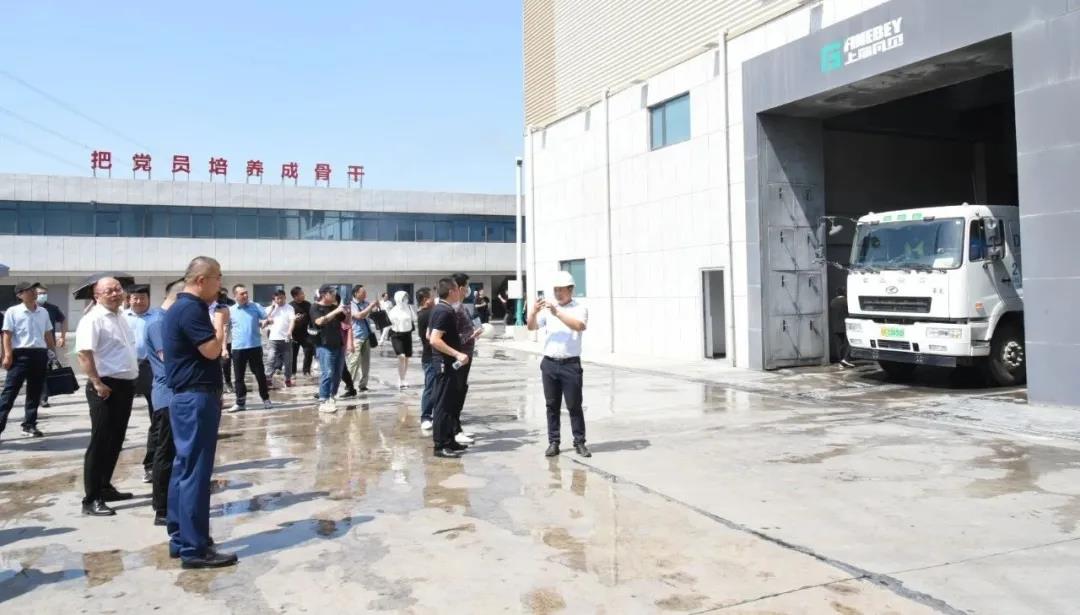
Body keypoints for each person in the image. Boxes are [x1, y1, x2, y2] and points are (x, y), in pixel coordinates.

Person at [163, 256, 236, 568]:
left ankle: (181, 538)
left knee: (184, 468)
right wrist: (220, 324)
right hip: (196, 398)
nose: (221, 285)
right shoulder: (191, 309)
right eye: (218, 278)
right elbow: (211, 350)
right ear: (201, 280)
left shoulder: (179, 308)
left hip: (188, 398)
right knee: (195, 472)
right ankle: (195, 548)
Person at [76, 276, 140, 516]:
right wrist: (96, 382)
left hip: (125, 385)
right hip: (104, 386)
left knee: (116, 440)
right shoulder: (92, 319)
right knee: (100, 442)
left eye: (117, 289)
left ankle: (104, 486)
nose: (115, 294)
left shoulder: (121, 316)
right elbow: (84, 353)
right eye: (108, 291)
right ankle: (91, 499)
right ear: (97, 296)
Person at [527, 270, 590, 458]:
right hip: (549, 363)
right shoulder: (549, 309)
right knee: (551, 405)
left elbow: (579, 326)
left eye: (561, 290)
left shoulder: (579, 308)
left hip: (570, 364)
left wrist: (558, 313)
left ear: (570, 289)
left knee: (574, 405)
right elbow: (531, 326)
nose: (557, 293)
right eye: (555, 290)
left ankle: (579, 442)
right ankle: (553, 442)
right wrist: (533, 312)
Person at [145, 279, 182, 526]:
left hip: (176, 395)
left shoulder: (167, 319)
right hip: (167, 396)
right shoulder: (159, 322)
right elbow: (169, 358)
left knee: (174, 451)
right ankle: (162, 508)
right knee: (165, 452)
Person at [0, 282, 55, 441]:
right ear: (20, 295)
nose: (34, 292)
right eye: (29, 290)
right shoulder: (13, 311)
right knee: (9, 393)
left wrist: (52, 352)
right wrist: (7, 355)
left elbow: (48, 333)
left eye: (34, 290)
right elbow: (7, 335)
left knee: (35, 392)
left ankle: (29, 424)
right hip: (20, 355)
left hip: (40, 354)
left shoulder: (43, 312)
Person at [428, 278, 471, 458]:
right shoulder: (443, 311)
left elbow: (430, 334)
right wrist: (457, 354)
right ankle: (440, 445)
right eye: (458, 289)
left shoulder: (442, 309)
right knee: (443, 405)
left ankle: (449, 440)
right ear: (452, 291)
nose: (461, 292)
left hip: (449, 364)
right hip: (445, 364)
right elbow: (434, 339)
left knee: (450, 402)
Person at [123, 284, 158, 484]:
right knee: (119, 416)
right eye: (135, 298)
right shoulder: (121, 318)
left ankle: (151, 465)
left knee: (157, 416)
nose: (139, 301)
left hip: (151, 367)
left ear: (148, 299)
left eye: (142, 297)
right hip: (125, 368)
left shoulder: (158, 317)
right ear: (129, 300)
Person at [227, 284, 273, 413]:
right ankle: (240, 403)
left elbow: (267, 317)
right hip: (238, 348)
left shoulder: (255, 306)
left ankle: (266, 399)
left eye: (246, 293)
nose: (245, 295)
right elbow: (226, 329)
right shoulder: (230, 310)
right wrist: (224, 347)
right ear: (235, 296)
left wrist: (267, 321)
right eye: (242, 293)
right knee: (238, 377)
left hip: (255, 347)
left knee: (260, 375)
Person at [450, 273, 482, 446]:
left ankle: (458, 427)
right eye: (468, 286)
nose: (469, 289)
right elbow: (452, 338)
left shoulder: (462, 306)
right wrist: (471, 335)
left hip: (466, 356)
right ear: (461, 288)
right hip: (459, 357)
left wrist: (473, 334)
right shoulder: (454, 309)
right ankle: (454, 430)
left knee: (461, 391)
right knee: (455, 393)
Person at [311, 285, 348, 413]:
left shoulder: (333, 307)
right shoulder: (315, 307)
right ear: (324, 294)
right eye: (332, 293)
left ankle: (332, 396)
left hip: (338, 344)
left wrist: (346, 312)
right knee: (328, 372)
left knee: (337, 373)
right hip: (324, 345)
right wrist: (336, 311)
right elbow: (319, 321)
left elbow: (345, 321)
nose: (334, 296)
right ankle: (323, 400)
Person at [34, 285, 66, 409]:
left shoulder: (52, 308)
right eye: (40, 293)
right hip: (31, 346)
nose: (43, 295)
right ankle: (34, 396)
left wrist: (62, 337)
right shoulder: (30, 308)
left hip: (48, 345)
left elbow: (63, 320)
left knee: (45, 372)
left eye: (44, 293)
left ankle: (43, 398)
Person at [346, 285, 378, 393]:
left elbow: (371, 313)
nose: (365, 294)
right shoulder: (351, 305)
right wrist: (370, 306)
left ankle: (363, 385)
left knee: (366, 363)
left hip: (366, 336)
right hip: (356, 337)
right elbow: (359, 316)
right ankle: (349, 386)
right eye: (363, 292)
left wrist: (376, 306)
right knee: (354, 362)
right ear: (356, 293)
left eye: (365, 292)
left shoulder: (366, 303)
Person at [264, 290, 296, 388]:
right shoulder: (269, 309)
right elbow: (264, 320)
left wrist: (289, 331)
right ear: (274, 299)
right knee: (271, 358)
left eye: (282, 298)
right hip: (273, 338)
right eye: (277, 298)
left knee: (288, 360)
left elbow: (292, 320)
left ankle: (287, 379)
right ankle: (268, 378)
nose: (280, 300)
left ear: (285, 297)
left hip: (286, 339)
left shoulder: (289, 308)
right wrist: (272, 309)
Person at [416, 288, 436, 430]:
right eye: (431, 297)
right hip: (430, 356)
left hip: (430, 355)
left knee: (434, 387)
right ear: (425, 300)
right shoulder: (427, 314)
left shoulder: (424, 313)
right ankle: (426, 417)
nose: (434, 299)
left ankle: (432, 415)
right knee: (430, 387)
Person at [388, 290, 417, 389]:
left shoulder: (409, 308)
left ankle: (403, 378)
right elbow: (389, 322)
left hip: (407, 334)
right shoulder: (393, 311)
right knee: (401, 356)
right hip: (396, 335)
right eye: (403, 298)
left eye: (406, 297)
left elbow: (414, 318)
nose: (406, 299)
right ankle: (401, 379)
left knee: (407, 357)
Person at [289, 287, 315, 377]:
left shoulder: (308, 305)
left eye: (303, 293)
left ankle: (306, 371)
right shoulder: (290, 306)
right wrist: (294, 320)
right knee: (293, 354)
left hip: (305, 333)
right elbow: (287, 321)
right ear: (295, 296)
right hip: (293, 334)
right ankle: (292, 372)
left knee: (308, 351)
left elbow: (312, 318)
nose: (303, 295)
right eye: (301, 294)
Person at [215, 289, 236, 394]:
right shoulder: (211, 307)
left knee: (226, 364)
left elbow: (226, 327)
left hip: (227, 341)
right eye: (221, 295)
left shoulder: (230, 306)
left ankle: (228, 383)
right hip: (214, 341)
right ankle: (218, 385)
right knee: (215, 365)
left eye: (224, 295)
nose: (222, 297)